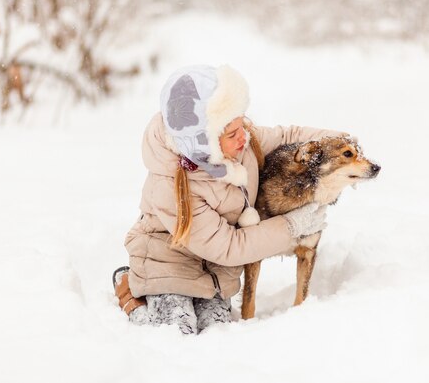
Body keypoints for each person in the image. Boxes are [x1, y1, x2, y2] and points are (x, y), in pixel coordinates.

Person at [113, 64, 346, 334]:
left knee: (216, 330)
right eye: (232, 133)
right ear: (204, 142)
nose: (244, 137)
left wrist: (339, 144)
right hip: (165, 262)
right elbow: (229, 247)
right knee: (177, 332)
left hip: (215, 270)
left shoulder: (244, 141)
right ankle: (129, 293)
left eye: (242, 125)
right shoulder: (171, 184)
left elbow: (287, 136)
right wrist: (292, 226)